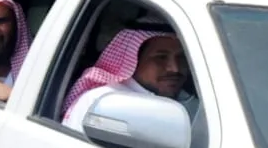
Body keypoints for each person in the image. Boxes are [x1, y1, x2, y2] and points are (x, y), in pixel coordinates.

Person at [60, 28, 191, 134]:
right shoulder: (103, 102)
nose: (174, 68)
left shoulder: (194, 101)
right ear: (134, 60)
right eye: (161, 57)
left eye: (181, 57)